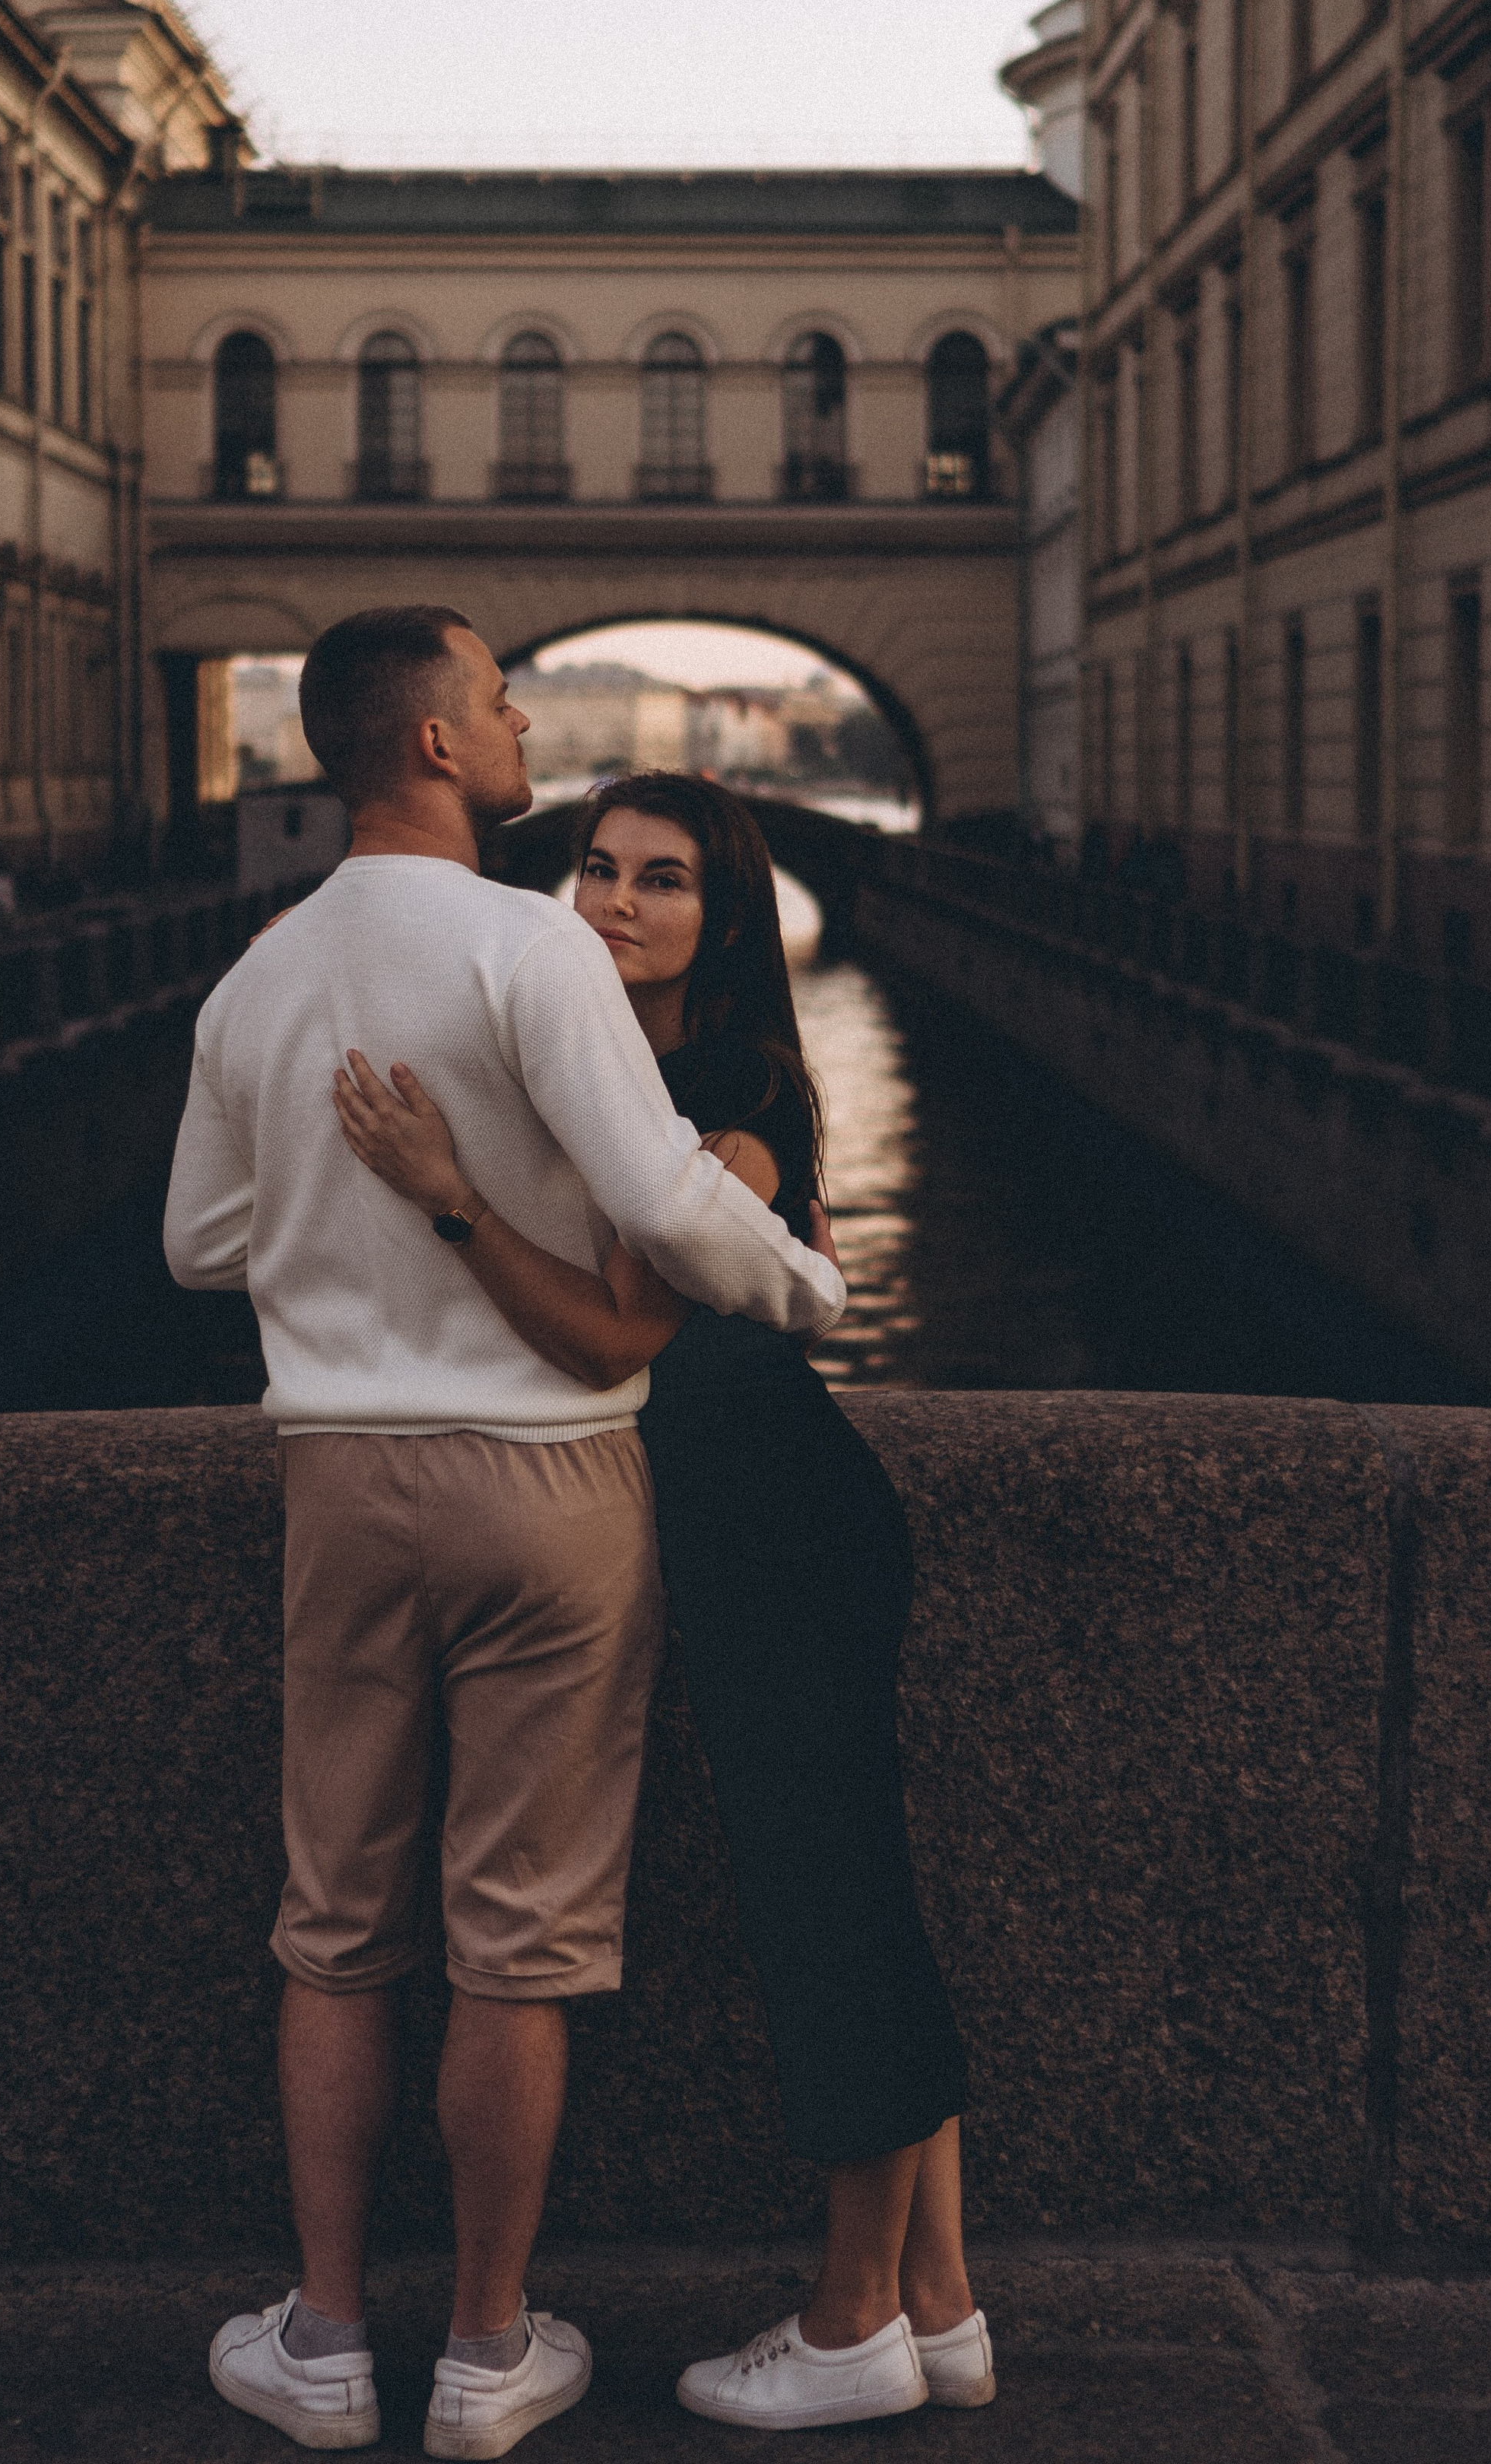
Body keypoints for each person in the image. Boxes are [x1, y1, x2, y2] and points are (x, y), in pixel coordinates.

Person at [164, 615, 845, 2460]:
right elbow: (666, 1210)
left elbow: (199, 1246)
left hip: (339, 1479)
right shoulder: (531, 947)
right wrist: (801, 1283)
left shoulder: (258, 974)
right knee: (517, 1941)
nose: (523, 717)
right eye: (498, 698)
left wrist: (345, 1232)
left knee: (333, 1926)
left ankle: (320, 2341)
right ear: (439, 744)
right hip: (547, 1484)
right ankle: (483, 2353)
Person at [332, 772, 995, 2436]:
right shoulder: (620, 1073)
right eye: (598, 867)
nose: (617, 900)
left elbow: (612, 1335)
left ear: (728, 916)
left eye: (665, 878)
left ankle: (849, 2324)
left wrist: (449, 1196)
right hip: (758, 1516)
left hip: (775, 1521)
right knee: (858, 1889)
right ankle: (938, 2305)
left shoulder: (722, 1088)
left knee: (830, 1912)